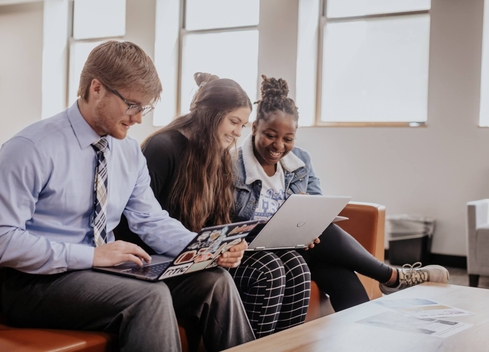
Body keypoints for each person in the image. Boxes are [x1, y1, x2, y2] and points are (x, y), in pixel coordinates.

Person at [0, 41, 255, 352]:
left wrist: (206, 250)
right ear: (97, 89)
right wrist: (91, 256)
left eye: (144, 108)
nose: (137, 119)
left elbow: (151, 219)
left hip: (101, 273)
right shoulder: (31, 148)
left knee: (215, 282)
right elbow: (4, 239)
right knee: (150, 297)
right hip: (32, 283)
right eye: (132, 105)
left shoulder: (128, 151)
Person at [231, 75, 450, 312]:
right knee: (327, 238)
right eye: (270, 136)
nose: (278, 146)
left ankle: (363, 337)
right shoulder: (232, 166)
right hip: (255, 254)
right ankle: (392, 277)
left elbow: (318, 206)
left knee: (336, 267)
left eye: (288, 139)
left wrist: (307, 223)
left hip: (296, 249)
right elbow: (228, 223)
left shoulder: (301, 160)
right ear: (254, 128)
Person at [117, 72, 311, 338]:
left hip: (198, 256)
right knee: (269, 271)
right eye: (234, 122)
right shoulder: (163, 148)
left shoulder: (219, 154)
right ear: (211, 114)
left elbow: (218, 221)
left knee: (297, 266)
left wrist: (231, 245)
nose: (237, 133)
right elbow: (140, 224)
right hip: (161, 259)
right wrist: (201, 249)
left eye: (242, 125)